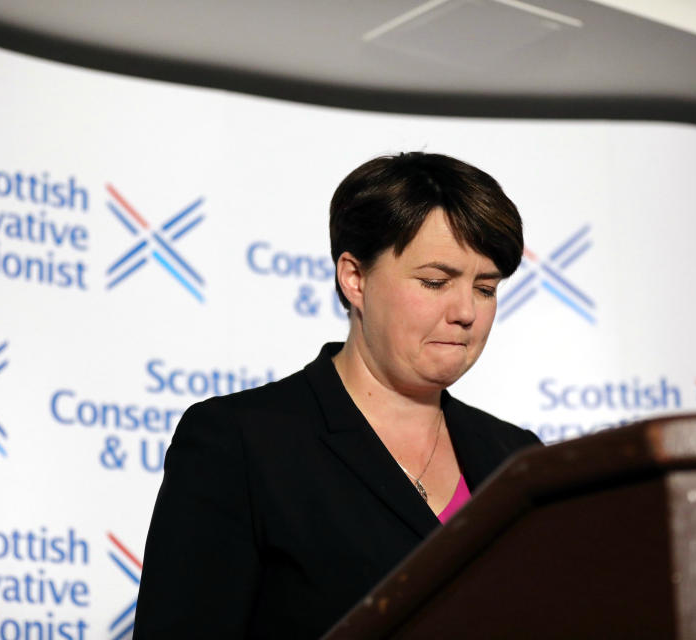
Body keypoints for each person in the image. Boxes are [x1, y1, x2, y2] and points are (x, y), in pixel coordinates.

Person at [132, 152, 542, 639]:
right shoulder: (240, 442)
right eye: (436, 281)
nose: (465, 312)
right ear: (355, 277)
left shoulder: (516, 458)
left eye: (485, 289)